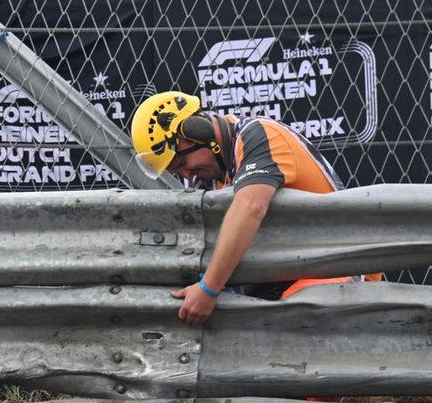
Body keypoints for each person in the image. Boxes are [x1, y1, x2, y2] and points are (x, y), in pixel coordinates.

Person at [130, 90, 357, 325]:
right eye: (177, 171)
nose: (186, 174)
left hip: (341, 271)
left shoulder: (259, 135)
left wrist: (208, 288)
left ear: (198, 131)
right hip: (288, 275)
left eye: (182, 163)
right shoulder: (205, 176)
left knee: (278, 326)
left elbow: (251, 206)